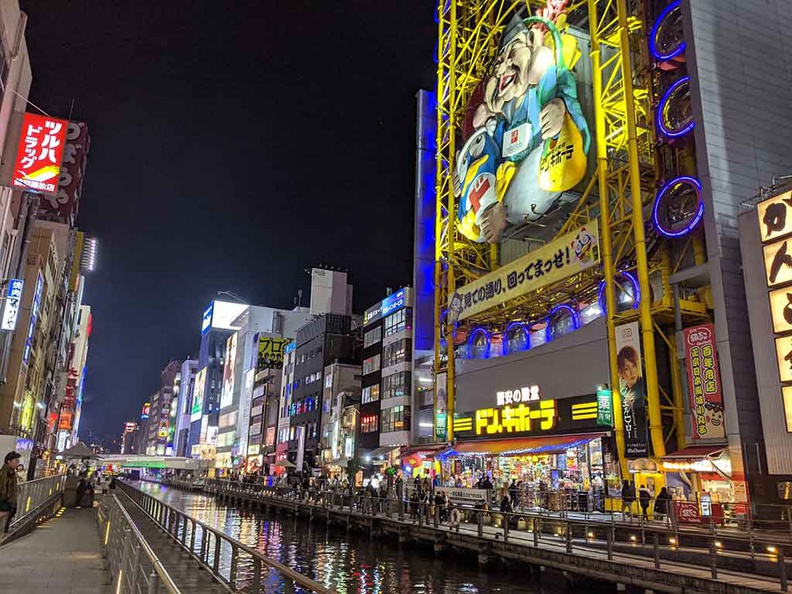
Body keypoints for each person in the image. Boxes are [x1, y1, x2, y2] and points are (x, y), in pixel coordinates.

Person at [0, 451, 21, 532]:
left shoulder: (12, 473)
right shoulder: (4, 473)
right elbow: (3, 490)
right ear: (9, 461)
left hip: (8, 506)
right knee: (2, 530)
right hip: (4, 506)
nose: (17, 463)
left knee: (3, 530)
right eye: (16, 460)